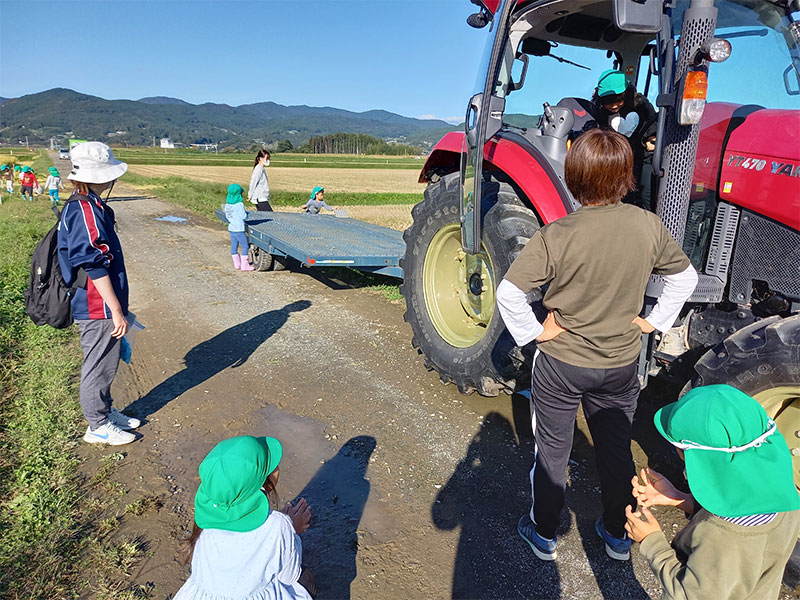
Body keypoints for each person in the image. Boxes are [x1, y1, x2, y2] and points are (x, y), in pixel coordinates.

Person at [495, 128, 698, 562]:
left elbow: (508, 294)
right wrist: (653, 322)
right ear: (626, 177)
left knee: (552, 449)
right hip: (621, 363)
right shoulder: (647, 225)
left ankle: (544, 532)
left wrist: (535, 333)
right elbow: (685, 279)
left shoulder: (557, 234)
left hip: (561, 365)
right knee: (615, 449)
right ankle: (618, 534)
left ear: (574, 177)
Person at [626, 384, 800, 599]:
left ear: (692, 455)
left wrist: (651, 540)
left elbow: (689, 594)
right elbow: (738, 513)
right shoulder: (784, 490)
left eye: (678, 448)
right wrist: (681, 500)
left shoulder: (725, 538)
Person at [57, 141, 140, 445]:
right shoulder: (84, 209)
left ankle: (103, 411)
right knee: (99, 363)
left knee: (107, 360)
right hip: (96, 303)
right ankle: (97, 424)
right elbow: (91, 261)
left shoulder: (85, 204)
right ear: (99, 176)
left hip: (97, 301)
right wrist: (115, 309)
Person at [174, 435, 316, 600]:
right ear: (265, 482)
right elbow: (290, 576)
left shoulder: (207, 517)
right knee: (306, 581)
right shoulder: (279, 525)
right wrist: (293, 531)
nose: (276, 466)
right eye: (270, 464)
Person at [224, 183, 254, 271]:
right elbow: (243, 216)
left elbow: (228, 215)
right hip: (239, 229)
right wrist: (247, 214)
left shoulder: (227, 205)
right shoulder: (239, 205)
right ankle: (245, 266)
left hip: (231, 228)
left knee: (234, 246)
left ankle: (237, 264)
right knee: (245, 246)